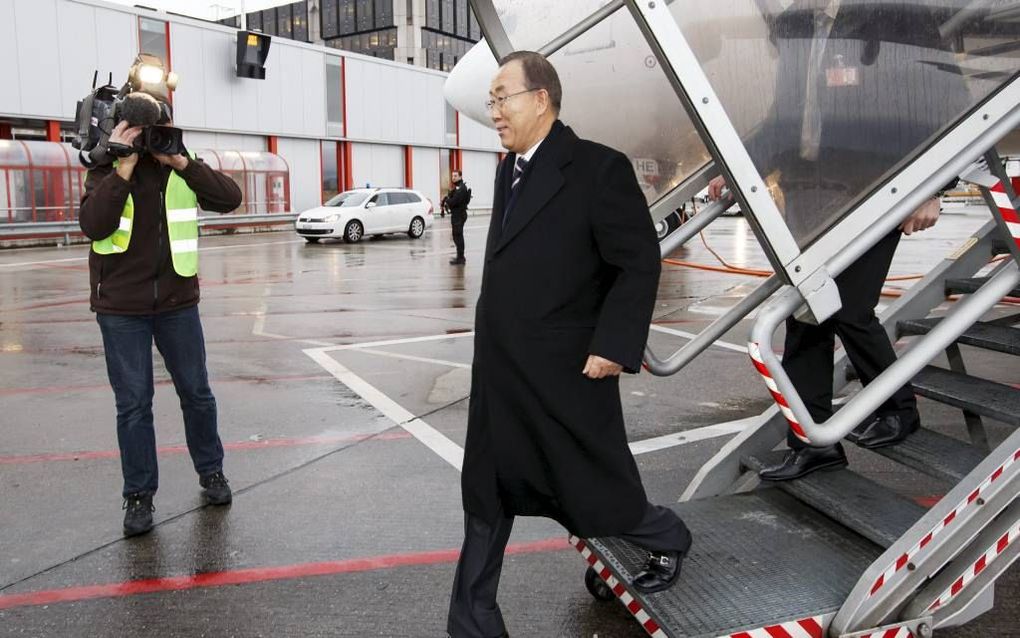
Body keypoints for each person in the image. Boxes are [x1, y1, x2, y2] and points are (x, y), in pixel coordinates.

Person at [447, 51, 692, 638]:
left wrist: (614, 344)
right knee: (485, 494)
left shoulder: (598, 169)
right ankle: (473, 621)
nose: (494, 111)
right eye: (492, 100)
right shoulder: (509, 170)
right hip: (503, 371)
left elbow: (638, 262)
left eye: (502, 97)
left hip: (564, 371)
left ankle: (667, 536)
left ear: (541, 98)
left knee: (593, 491)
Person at [707, 0, 967, 480]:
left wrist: (935, 186)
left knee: (849, 307)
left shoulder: (893, 12)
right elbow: (786, 118)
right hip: (811, 190)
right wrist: (741, 163)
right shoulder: (798, 26)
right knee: (806, 317)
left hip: (874, 188)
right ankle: (813, 443)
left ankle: (899, 410)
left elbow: (948, 97)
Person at [79, 83, 243, 536]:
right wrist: (123, 169)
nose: (150, 142)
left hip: (176, 304)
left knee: (197, 394)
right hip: (121, 309)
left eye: (156, 132)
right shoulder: (105, 168)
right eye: (141, 134)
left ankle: (212, 474)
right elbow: (94, 225)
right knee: (133, 405)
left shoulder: (179, 167)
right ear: (124, 132)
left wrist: (182, 161)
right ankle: (138, 498)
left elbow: (230, 199)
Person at [445, 170, 471, 265]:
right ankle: (459, 256)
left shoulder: (461, 188)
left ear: (460, 177)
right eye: (452, 176)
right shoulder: (457, 188)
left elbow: (453, 202)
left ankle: (461, 258)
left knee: (458, 236)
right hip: (457, 215)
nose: (453, 177)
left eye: (455, 176)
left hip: (459, 215)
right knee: (456, 236)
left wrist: (448, 200)